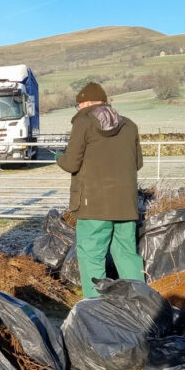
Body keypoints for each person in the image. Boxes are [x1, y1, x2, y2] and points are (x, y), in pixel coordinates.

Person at [56, 82, 146, 298]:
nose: (78, 109)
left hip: (93, 205)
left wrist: (58, 157)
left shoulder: (83, 123)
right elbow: (138, 163)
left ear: (85, 103)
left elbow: (70, 164)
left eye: (78, 105)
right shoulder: (130, 126)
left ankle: (95, 311)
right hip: (125, 205)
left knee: (92, 257)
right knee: (126, 255)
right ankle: (141, 303)